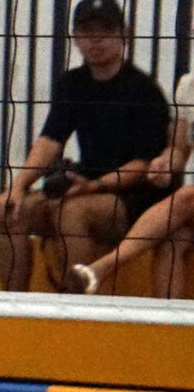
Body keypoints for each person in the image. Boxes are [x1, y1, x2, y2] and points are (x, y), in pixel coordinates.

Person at [0, 0, 173, 293]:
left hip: (134, 198)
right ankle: (11, 307)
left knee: (73, 213)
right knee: (13, 211)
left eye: (104, 30)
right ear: (75, 38)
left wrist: (95, 186)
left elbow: (143, 165)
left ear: (122, 34)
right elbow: (51, 139)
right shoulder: (72, 84)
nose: (95, 40)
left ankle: (76, 305)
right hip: (84, 184)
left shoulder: (143, 90)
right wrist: (18, 187)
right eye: (87, 32)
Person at [66, 67, 193, 297]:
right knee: (174, 237)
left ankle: (101, 268)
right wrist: (164, 163)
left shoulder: (141, 86)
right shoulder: (189, 85)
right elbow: (179, 149)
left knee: (186, 197)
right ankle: (166, 326)